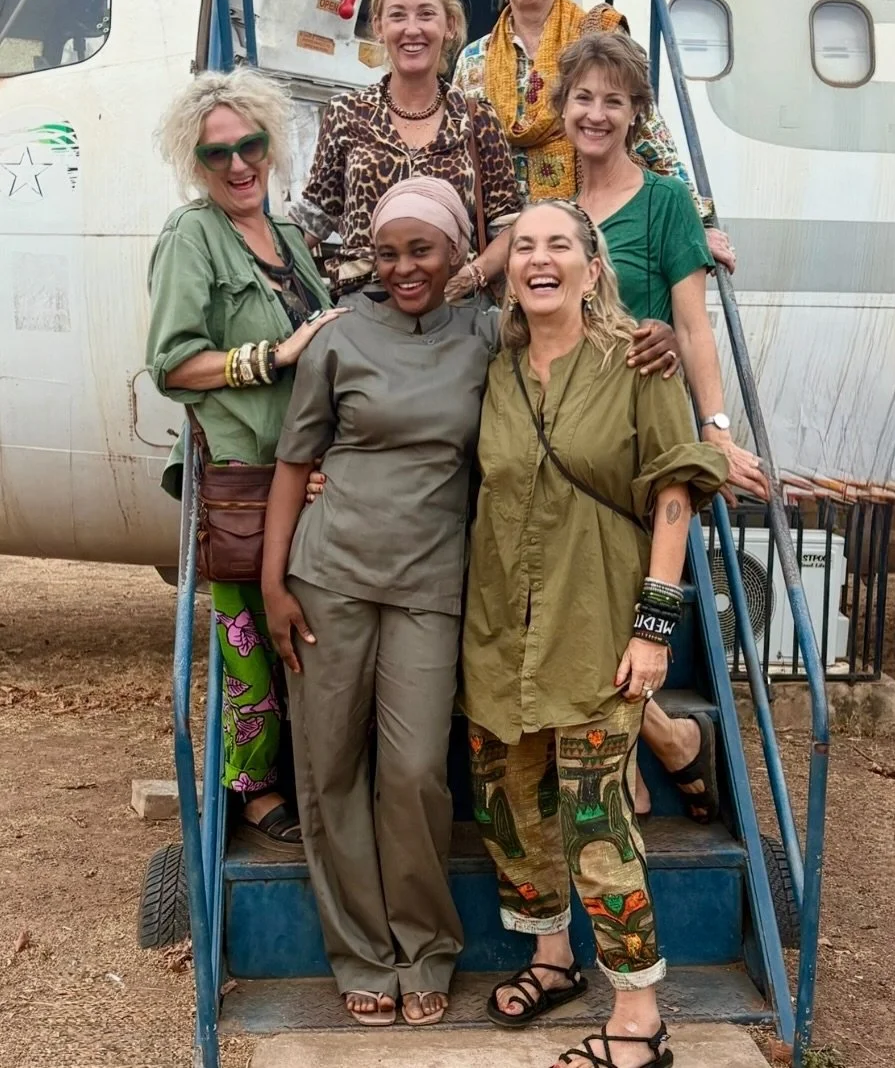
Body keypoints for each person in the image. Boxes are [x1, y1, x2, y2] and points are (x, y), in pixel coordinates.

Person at [461, 200, 728, 1068]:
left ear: (591, 266)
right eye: (523, 247)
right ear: (507, 270)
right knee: (509, 807)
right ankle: (552, 959)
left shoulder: (639, 362)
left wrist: (653, 628)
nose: (539, 259)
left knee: (595, 821)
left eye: (558, 245)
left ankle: (639, 1019)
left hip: (599, 622)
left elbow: (675, 492)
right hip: (498, 629)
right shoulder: (492, 368)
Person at [261, 178, 498, 1028]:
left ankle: (425, 948)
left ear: (456, 251)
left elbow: (574, 339)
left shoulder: (486, 335)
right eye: (388, 252)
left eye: (421, 249)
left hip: (431, 583)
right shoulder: (339, 336)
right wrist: (273, 583)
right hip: (329, 576)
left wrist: (656, 334)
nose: (403, 267)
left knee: (415, 772)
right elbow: (295, 461)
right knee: (330, 768)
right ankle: (362, 953)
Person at [554, 30, 769, 819]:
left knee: (611, 607)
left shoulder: (666, 203)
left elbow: (692, 324)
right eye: (583, 97)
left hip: (639, 431)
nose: (596, 113)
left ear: (635, 113)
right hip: (568, 435)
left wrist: (715, 428)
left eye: (613, 101)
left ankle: (636, 759)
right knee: (568, 608)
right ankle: (665, 740)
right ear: (562, 108)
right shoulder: (555, 213)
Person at [146, 68, 341, 854]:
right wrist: (269, 357)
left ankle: (304, 773)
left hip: (307, 470)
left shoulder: (288, 237)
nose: (237, 164)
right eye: (216, 153)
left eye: (249, 145)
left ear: (270, 144)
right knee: (247, 644)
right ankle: (253, 789)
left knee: (299, 633)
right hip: (243, 473)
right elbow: (171, 363)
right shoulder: (191, 235)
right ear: (195, 164)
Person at [452, 0, 737, 301]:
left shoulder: (598, 37)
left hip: (591, 249)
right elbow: (463, 164)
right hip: (509, 262)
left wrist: (700, 224)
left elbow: (650, 135)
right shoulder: (472, 61)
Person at [286, 0, 520, 300]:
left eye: (426, 14)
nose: (412, 29)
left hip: (453, 308)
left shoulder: (477, 119)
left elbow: (508, 226)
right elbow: (313, 218)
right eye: (398, 15)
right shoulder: (347, 114)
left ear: (450, 25)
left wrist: (471, 276)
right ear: (379, 26)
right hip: (366, 308)